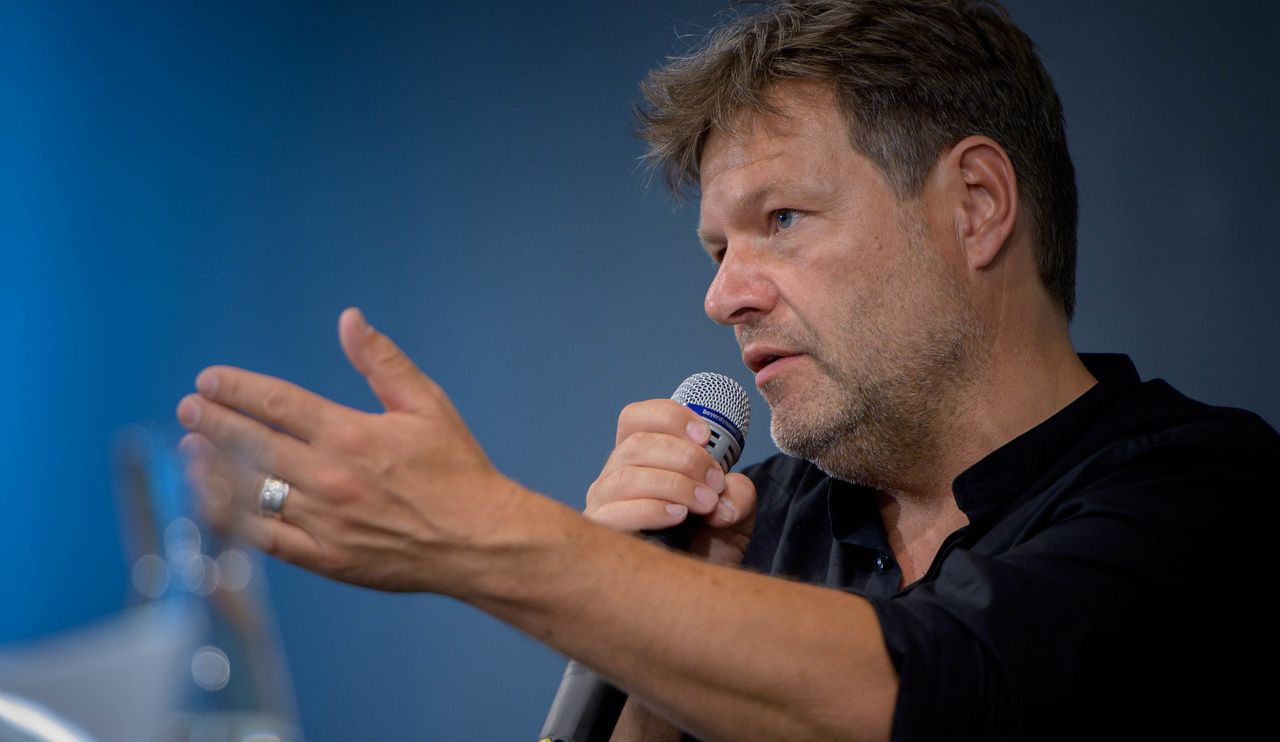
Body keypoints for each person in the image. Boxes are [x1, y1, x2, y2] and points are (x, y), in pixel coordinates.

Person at [176, 1, 1277, 740]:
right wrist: (649, 629)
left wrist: (483, 538)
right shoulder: (763, 520)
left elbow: (943, 685)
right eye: (716, 250)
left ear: (975, 206)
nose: (723, 296)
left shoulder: (1206, 495)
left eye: (781, 219)